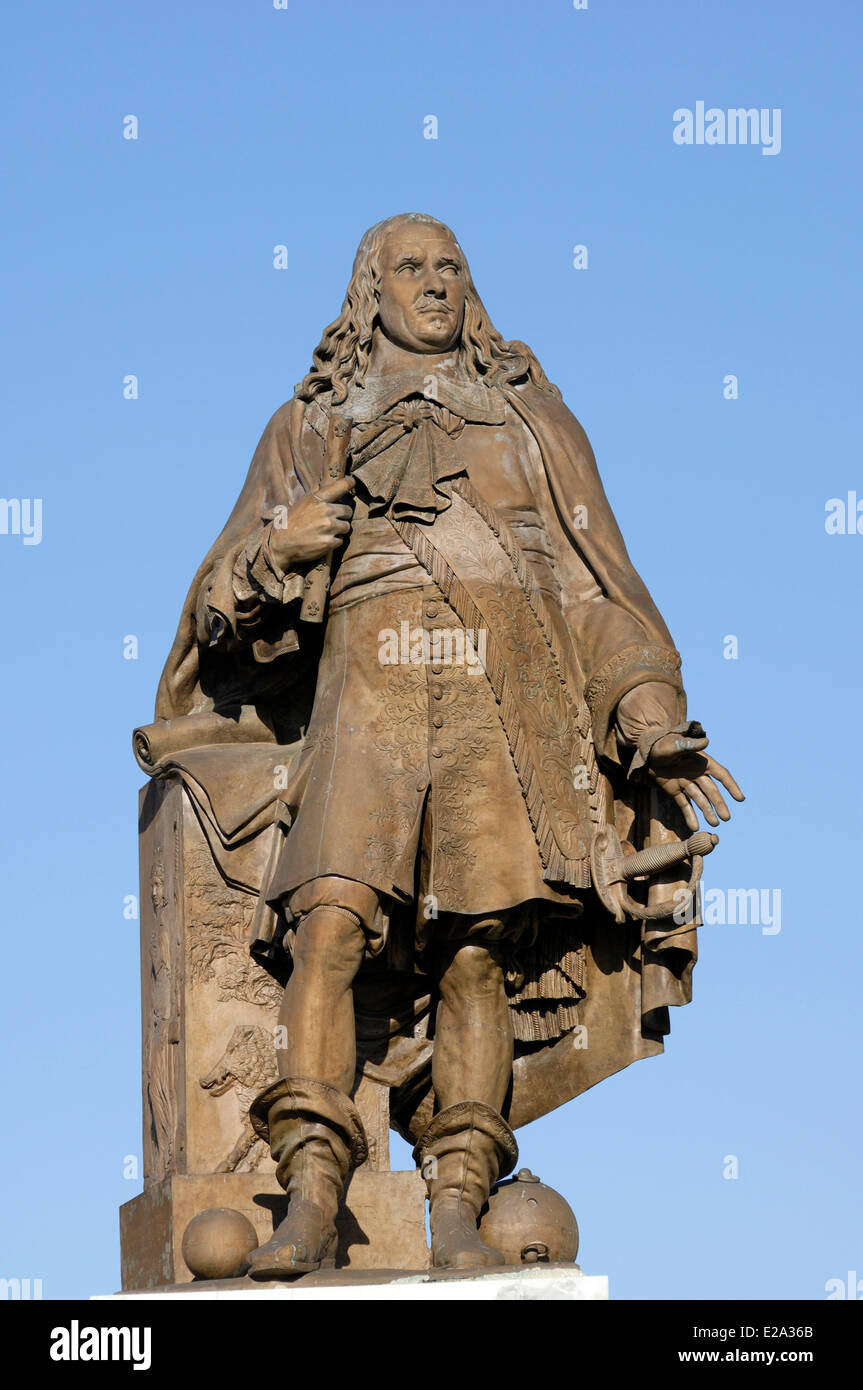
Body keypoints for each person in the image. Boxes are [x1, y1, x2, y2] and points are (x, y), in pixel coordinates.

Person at [154, 213, 743, 1276]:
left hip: (497, 707)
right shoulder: (309, 422)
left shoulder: (529, 418)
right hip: (367, 697)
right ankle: (311, 1197)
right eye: (410, 267)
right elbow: (214, 610)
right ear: (365, 291)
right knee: (326, 928)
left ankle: (458, 1209)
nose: (434, 283)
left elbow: (591, 585)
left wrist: (649, 712)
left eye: (451, 267)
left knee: (475, 949)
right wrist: (277, 551)